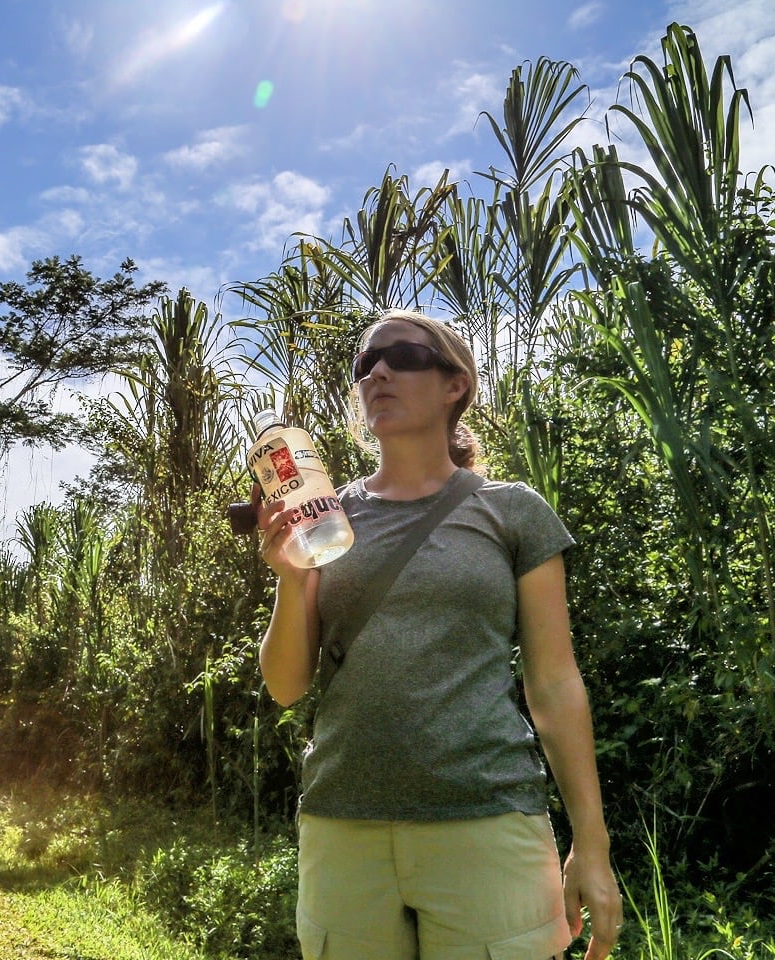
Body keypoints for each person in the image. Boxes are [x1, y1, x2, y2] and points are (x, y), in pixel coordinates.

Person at [257, 309, 622, 960]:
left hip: (487, 825)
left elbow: (555, 683)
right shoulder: (322, 520)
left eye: (403, 356)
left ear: (456, 385)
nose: (380, 372)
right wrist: (289, 577)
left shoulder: (511, 511)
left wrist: (589, 846)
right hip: (344, 828)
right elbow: (286, 686)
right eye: (366, 364)